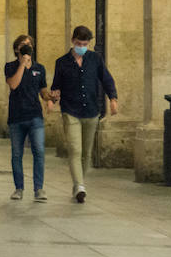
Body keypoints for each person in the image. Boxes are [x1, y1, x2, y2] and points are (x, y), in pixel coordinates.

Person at [48, 25, 118, 203]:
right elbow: (56, 86)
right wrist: (52, 99)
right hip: (70, 111)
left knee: (86, 152)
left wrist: (113, 99)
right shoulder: (62, 62)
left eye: (85, 44)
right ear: (73, 41)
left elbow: (106, 78)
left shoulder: (95, 59)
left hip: (91, 111)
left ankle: (79, 183)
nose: (82, 46)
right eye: (79, 43)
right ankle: (79, 185)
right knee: (75, 149)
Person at [6, 34, 52, 202]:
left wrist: (50, 97)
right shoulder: (10, 66)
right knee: (17, 154)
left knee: (39, 151)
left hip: (35, 116)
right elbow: (13, 84)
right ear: (17, 49)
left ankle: (39, 188)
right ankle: (19, 188)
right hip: (16, 116)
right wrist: (22, 65)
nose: (27, 48)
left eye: (29, 45)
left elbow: (43, 92)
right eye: (23, 45)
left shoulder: (40, 69)